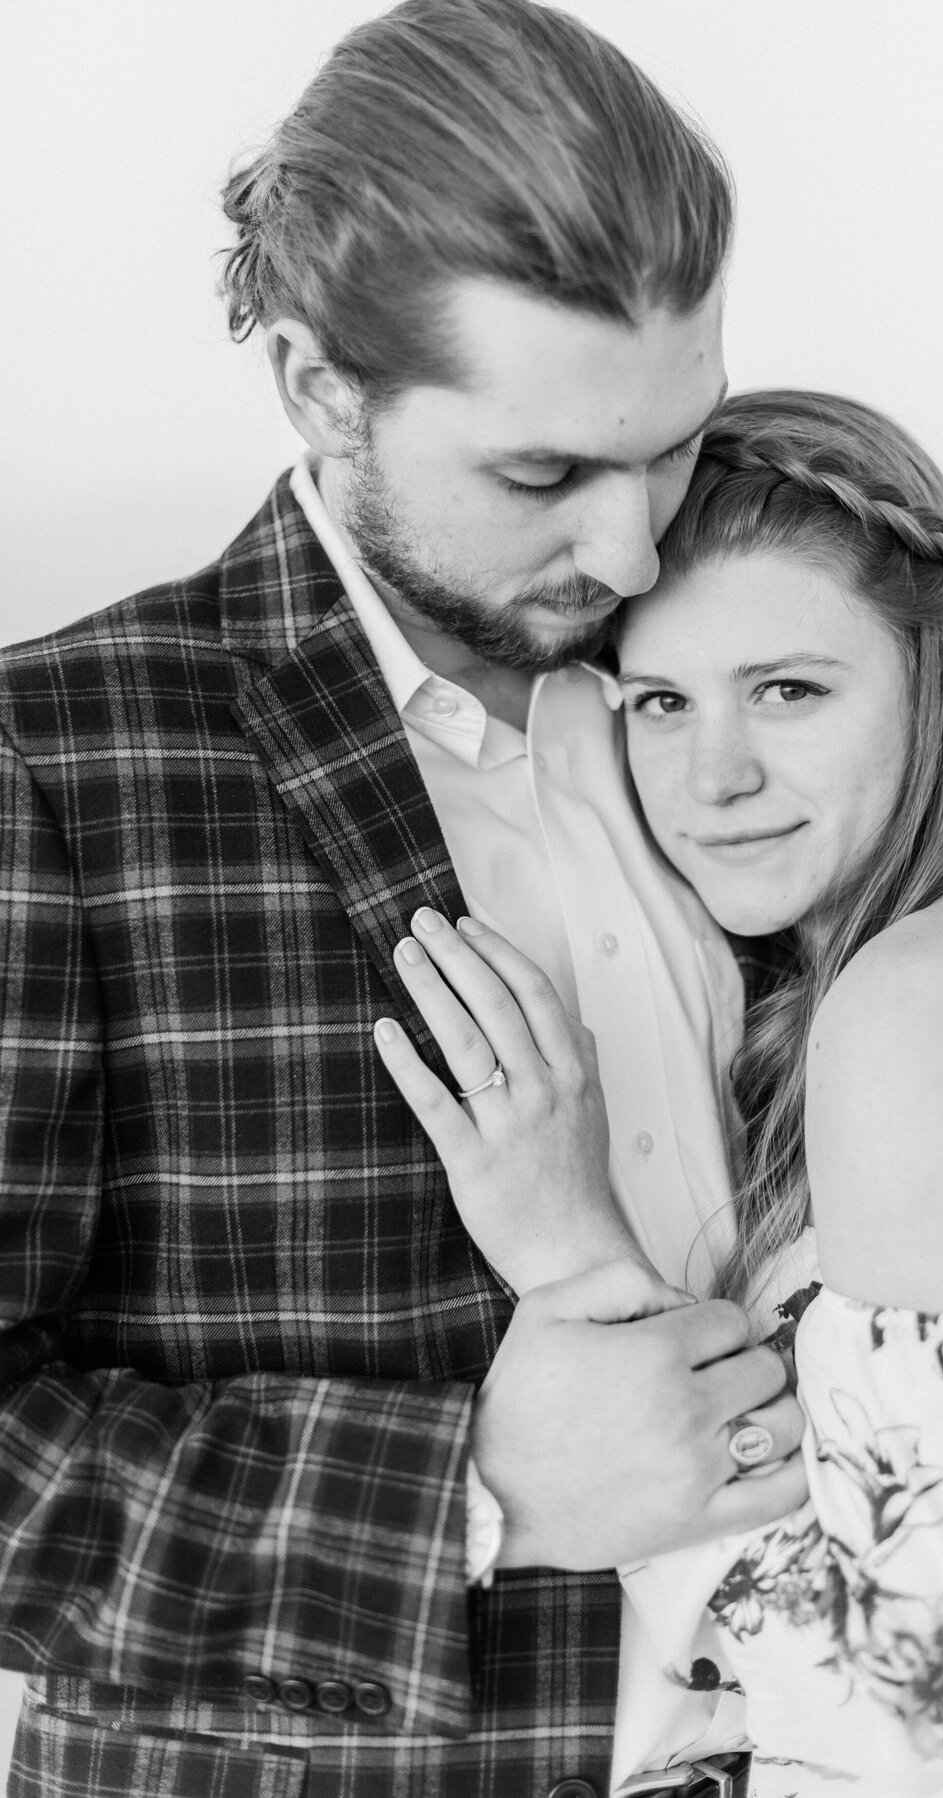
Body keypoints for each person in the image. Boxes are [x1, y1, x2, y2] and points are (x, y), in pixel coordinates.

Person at [0, 8, 812, 1796]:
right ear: (315, 386)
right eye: (542, 476)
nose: (634, 551)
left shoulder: (777, 702)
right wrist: (478, 1491)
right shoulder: (49, 760)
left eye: (678, 445)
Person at [375, 391, 943, 1795]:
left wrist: (572, 1254)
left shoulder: (932, 999)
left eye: (790, 690)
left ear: (936, 680)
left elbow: (933, 1695)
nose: (716, 775)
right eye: (660, 703)